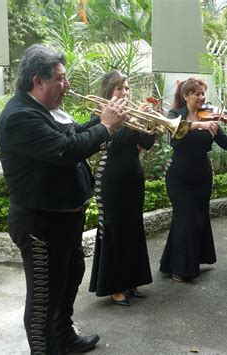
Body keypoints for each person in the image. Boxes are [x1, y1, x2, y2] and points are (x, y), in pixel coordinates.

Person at [0, 44, 126, 354]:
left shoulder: (42, 111)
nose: (66, 85)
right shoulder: (19, 117)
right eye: (60, 79)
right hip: (39, 222)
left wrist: (100, 120)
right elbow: (67, 151)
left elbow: (71, 136)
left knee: (68, 282)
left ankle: (64, 338)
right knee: (43, 298)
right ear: (37, 81)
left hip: (62, 216)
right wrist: (106, 127)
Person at [159, 78, 227, 282]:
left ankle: (176, 261)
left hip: (202, 175)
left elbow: (225, 144)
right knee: (185, 218)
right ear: (186, 96)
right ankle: (182, 268)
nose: (202, 97)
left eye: (203, 93)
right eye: (197, 93)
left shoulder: (211, 117)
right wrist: (199, 125)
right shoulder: (175, 115)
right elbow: (176, 132)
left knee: (196, 218)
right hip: (179, 176)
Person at [89, 71, 155, 306]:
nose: (125, 92)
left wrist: (147, 123)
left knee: (133, 228)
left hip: (133, 179)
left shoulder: (131, 113)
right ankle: (115, 287)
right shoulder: (101, 113)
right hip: (111, 180)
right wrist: (123, 124)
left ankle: (132, 282)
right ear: (109, 91)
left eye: (126, 88)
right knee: (114, 230)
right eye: (120, 88)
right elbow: (104, 143)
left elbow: (147, 144)